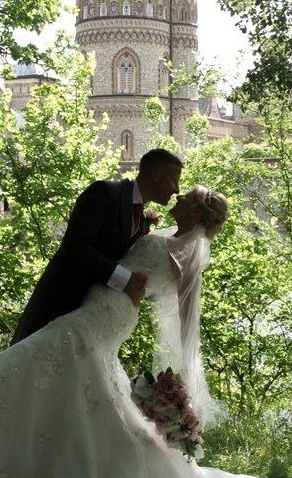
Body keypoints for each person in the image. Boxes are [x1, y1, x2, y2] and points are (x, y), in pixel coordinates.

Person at [0, 186, 292, 478]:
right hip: (101, 307)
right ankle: (40, 458)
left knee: (30, 359)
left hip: (104, 317)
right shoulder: (163, 234)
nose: (179, 193)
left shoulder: (187, 257)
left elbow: (187, 318)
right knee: (70, 391)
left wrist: (184, 375)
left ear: (194, 212)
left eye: (186, 195)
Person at [10, 147, 183, 343]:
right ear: (155, 175)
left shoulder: (142, 220)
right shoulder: (105, 192)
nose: (176, 189)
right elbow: (75, 245)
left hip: (90, 316)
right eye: (174, 181)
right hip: (59, 302)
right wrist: (124, 278)